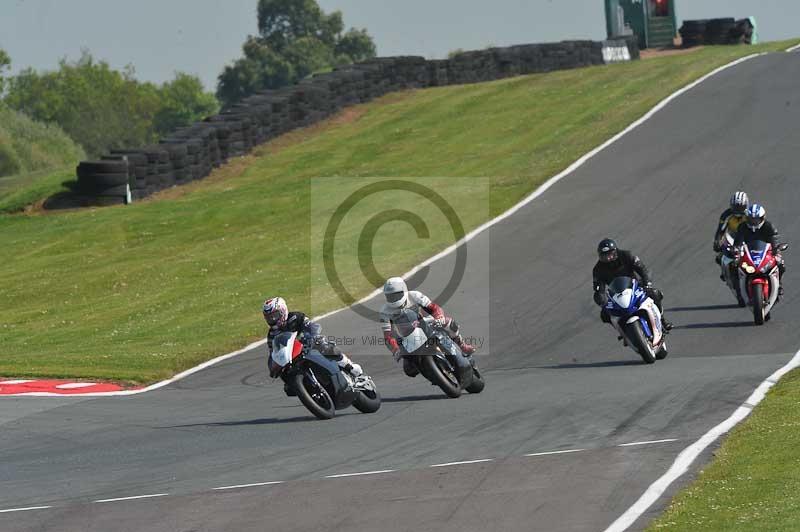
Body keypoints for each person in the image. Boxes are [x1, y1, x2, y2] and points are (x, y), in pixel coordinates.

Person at [263, 297, 363, 394]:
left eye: (274, 315)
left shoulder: (295, 317)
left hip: (307, 346)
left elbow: (311, 327)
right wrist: (273, 367)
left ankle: (350, 367)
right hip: (292, 357)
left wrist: (309, 336)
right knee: (287, 383)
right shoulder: (272, 334)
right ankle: (309, 390)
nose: (272, 319)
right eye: (269, 318)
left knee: (323, 344)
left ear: (282, 311)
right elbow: (273, 352)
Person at [379, 277, 475, 378]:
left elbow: (434, 308)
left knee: (449, 323)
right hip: (406, 337)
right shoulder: (384, 311)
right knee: (409, 370)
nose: (394, 299)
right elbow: (388, 335)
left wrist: (439, 317)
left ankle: (463, 346)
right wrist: (395, 350)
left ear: (404, 290)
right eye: (390, 296)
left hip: (425, 322)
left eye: (397, 295)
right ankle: (429, 372)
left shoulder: (415, 295)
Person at [592, 238, 673, 331]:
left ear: (615, 252)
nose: (608, 258)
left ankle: (662, 320)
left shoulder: (626, 255)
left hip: (635, 286)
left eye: (610, 255)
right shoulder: (597, 269)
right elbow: (599, 289)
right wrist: (603, 302)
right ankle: (623, 332)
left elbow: (642, 269)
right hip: (616, 295)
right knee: (604, 315)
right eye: (604, 256)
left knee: (655, 294)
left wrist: (647, 283)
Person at [733, 204, 785, 296]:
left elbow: (774, 240)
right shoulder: (742, 227)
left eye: (756, 219)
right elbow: (738, 241)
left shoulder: (769, 226)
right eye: (751, 219)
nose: (753, 222)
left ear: (762, 218)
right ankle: (738, 288)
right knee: (734, 266)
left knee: (780, 263)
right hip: (748, 253)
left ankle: (779, 285)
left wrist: (776, 250)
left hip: (766, 253)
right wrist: (736, 251)